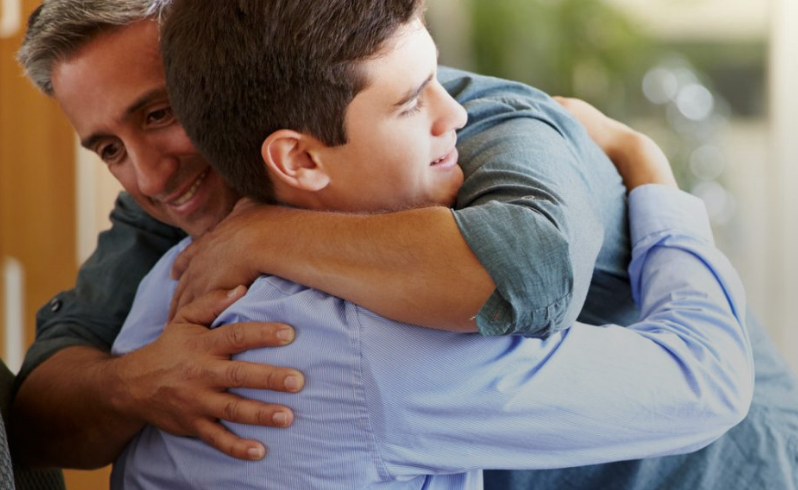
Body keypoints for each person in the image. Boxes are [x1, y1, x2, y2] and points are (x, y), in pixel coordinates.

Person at [12, 0, 796, 489]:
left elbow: (523, 273)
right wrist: (134, 384)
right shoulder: (182, 234)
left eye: (158, 113)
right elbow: (36, 414)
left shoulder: (480, 126)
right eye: (108, 148)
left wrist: (269, 232)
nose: (148, 174)